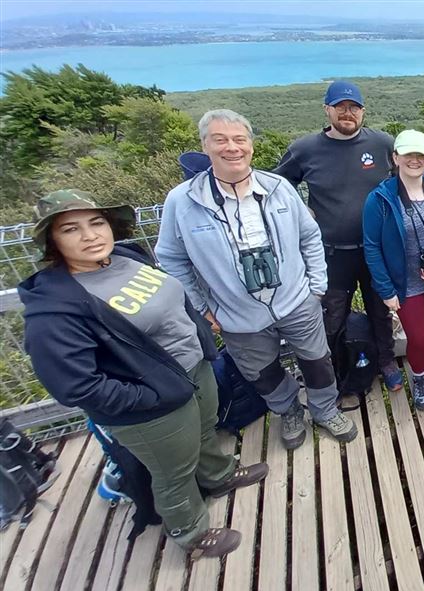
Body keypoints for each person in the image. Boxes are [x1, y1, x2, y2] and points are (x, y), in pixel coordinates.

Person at [19, 190, 269, 560]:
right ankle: (191, 532)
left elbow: (171, 300)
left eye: (97, 222)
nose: (90, 236)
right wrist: (148, 399)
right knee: (174, 471)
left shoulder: (123, 256)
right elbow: (73, 384)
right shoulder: (56, 309)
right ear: (53, 242)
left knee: (204, 431)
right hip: (152, 406)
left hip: (192, 370)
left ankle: (219, 477)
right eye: (71, 229)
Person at [156, 109, 357, 450]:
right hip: (236, 314)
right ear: (205, 146)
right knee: (262, 373)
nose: (232, 147)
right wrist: (200, 306)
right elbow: (171, 258)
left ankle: (324, 410)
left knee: (318, 362)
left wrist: (317, 286)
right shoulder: (184, 201)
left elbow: (309, 236)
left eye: (239, 139)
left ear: (250, 145)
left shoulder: (277, 188)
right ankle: (289, 409)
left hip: (297, 301)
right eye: (220, 140)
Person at [274, 80, 403, 392]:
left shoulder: (383, 144)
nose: (348, 113)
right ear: (327, 110)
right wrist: (302, 211)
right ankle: (336, 368)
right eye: (341, 107)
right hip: (330, 252)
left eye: (354, 108)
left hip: (375, 250)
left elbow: (405, 181)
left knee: (380, 309)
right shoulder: (305, 149)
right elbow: (277, 186)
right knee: (332, 314)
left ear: (362, 111)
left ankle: (385, 360)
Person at [364, 130, 424, 410]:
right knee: (417, 335)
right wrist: (385, 288)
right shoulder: (380, 199)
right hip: (404, 281)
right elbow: (371, 247)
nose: (414, 160)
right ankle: (419, 376)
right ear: (396, 158)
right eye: (408, 155)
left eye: (420, 155)